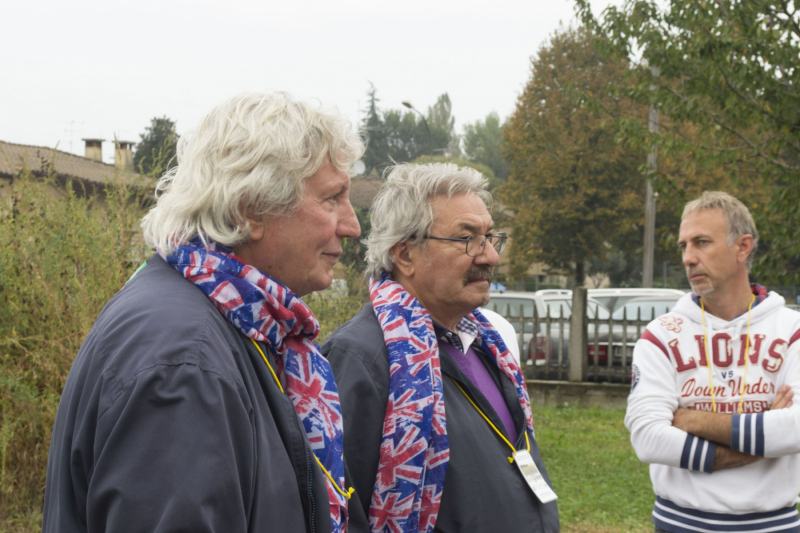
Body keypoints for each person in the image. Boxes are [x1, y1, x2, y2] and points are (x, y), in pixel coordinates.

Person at [42, 92, 366, 532]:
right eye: (332, 199)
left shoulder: (226, 324)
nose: (352, 225)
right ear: (250, 210)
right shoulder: (185, 362)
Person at [322, 163, 560, 532]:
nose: (490, 256)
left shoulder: (485, 343)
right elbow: (339, 512)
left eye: (490, 238)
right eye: (468, 239)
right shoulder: (360, 358)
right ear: (406, 255)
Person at [626, 191, 800, 533]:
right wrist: (763, 440)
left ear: (743, 247)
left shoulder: (792, 330)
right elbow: (647, 438)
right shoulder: (661, 334)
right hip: (681, 523)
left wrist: (691, 419)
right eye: (684, 246)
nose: (688, 258)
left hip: (772, 525)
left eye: (702, 242)